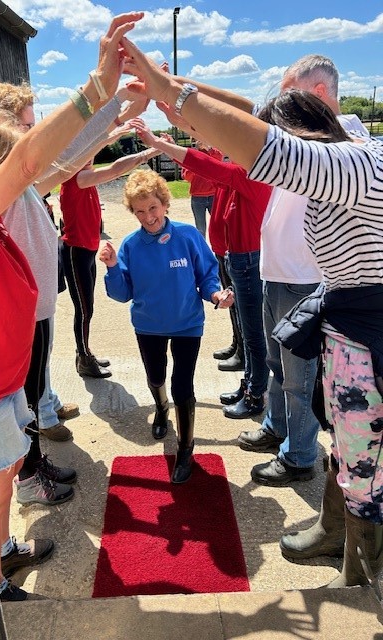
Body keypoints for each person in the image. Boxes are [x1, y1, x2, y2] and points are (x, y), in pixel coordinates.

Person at [122, 40, 383, 588]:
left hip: (368, 330)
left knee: (366, 463)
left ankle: (367, 574)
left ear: (311, 105)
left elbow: (262, 145)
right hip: (348, 323)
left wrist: (169, 89)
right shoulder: (342, 145)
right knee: (350, 446)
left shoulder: (349, 163)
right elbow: (250, 114)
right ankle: (342, 536)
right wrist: (173, 94)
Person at [0, 11, 143, 603]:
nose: (28, 150)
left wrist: (113, 112)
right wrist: (98, 88)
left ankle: (2, 551)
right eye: (15, 140)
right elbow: (32, 163)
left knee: (1, 483)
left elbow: (51, 165)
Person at [237, 55, 370, 488]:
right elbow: (247, 115)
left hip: (302, 278)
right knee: (279, 366)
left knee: (298, 378)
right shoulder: (307, 138)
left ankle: (298, 456)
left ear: (315, 94)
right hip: (276, 273)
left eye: (286, 94)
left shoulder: (345, 144)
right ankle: (277, 428)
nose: (279, 106)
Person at [0, 81, 78, 504]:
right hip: (23, 311)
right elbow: (58, 152)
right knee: (26, 396)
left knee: (32, 394)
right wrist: (109, 100)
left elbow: (66, 164)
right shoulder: (0, 180)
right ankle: (30, 477)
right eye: (27, 125)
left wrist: (117, 118)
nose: (33, 133)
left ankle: (35, 461)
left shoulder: (20, 183)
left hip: (37, 306)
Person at [99, 168, 233, 483]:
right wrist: (112, 267)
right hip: (148, 326)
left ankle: (186, 448)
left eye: (153, 208)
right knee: (155, 376)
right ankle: (161, 409)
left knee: (182, 385)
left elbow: (206, 276)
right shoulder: (130, 245)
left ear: (165, 203)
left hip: (187, 324)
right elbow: (122, 294)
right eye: (140, 211)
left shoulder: (188, 236)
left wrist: (215, 294)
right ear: (133, 212)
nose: (148, 216)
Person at [131, 121, 271, 419]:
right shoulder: (242, 171)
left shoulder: (248, 172)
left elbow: (204, 165)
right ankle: (250, 384)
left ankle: (256, 393)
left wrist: (159, 144)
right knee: (248, 331)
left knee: (255, 334)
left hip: (249, 260)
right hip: (239, 258)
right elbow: (207, 167)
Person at [60, 139, 162, 379]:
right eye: (82, 155)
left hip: (86, 251)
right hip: (76, 252)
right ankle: (84, 358)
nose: (89, 158)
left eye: (90, 154)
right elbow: (116, 169)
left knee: (88, 308)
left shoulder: (85, 173)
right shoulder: (78, 178)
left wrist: (115, 133)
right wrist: (149, 152)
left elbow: (97, 143)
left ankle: (84, 351)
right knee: (84, 310)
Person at [181, 139, 221, 238]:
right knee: (200, 228)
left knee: (218, 225)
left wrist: (209, 148)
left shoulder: (213, 152)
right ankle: (202, 250)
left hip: (213, 195)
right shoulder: (191, 155)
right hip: (198, 197)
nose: (199, 141)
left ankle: (221, 250)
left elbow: (219, 159)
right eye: (196, 140)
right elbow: (186, 177)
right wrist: (195, 163)